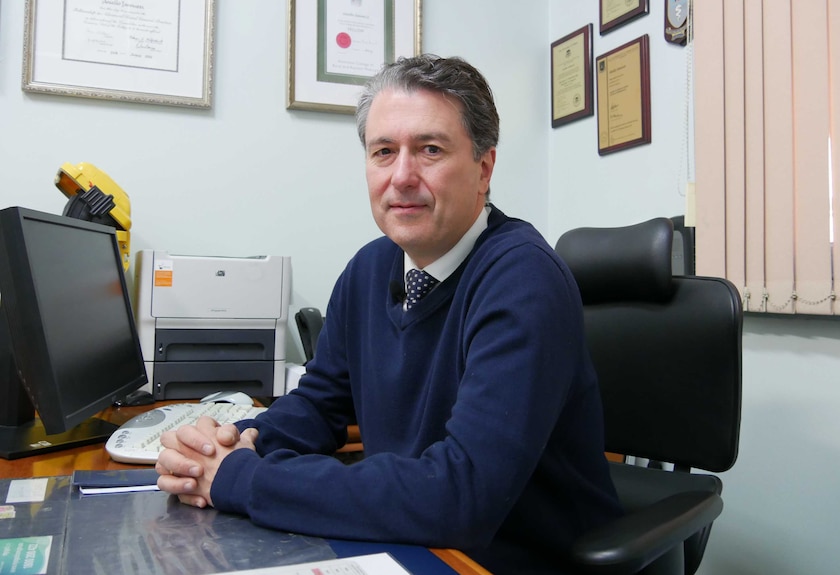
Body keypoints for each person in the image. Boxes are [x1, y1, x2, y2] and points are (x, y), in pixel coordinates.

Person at [156, 54, 622, 574]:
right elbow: (321, 401)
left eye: (430, 149)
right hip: (409, 544)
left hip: (509, 558)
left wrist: (241, 479)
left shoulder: (523, 280)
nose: (402, 176)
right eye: (383, 151)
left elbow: (459, 496)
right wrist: (237, 441)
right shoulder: (370, 267)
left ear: (484, 168)